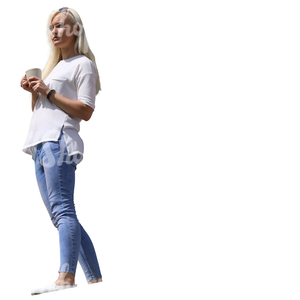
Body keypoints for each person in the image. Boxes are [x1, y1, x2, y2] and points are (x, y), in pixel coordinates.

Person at [20, 7, 102, 296]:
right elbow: (42, 109)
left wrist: (48, 92)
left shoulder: (83, 64)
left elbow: (86, 110)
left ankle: (66, 276)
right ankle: (95, 281)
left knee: (64, 211)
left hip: (59, 143)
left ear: (75, 30)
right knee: (61, 215)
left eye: (60, 26)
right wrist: (35, 91)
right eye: (51, 27)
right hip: (41, 146)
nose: (54, 31)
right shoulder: (54, 67)